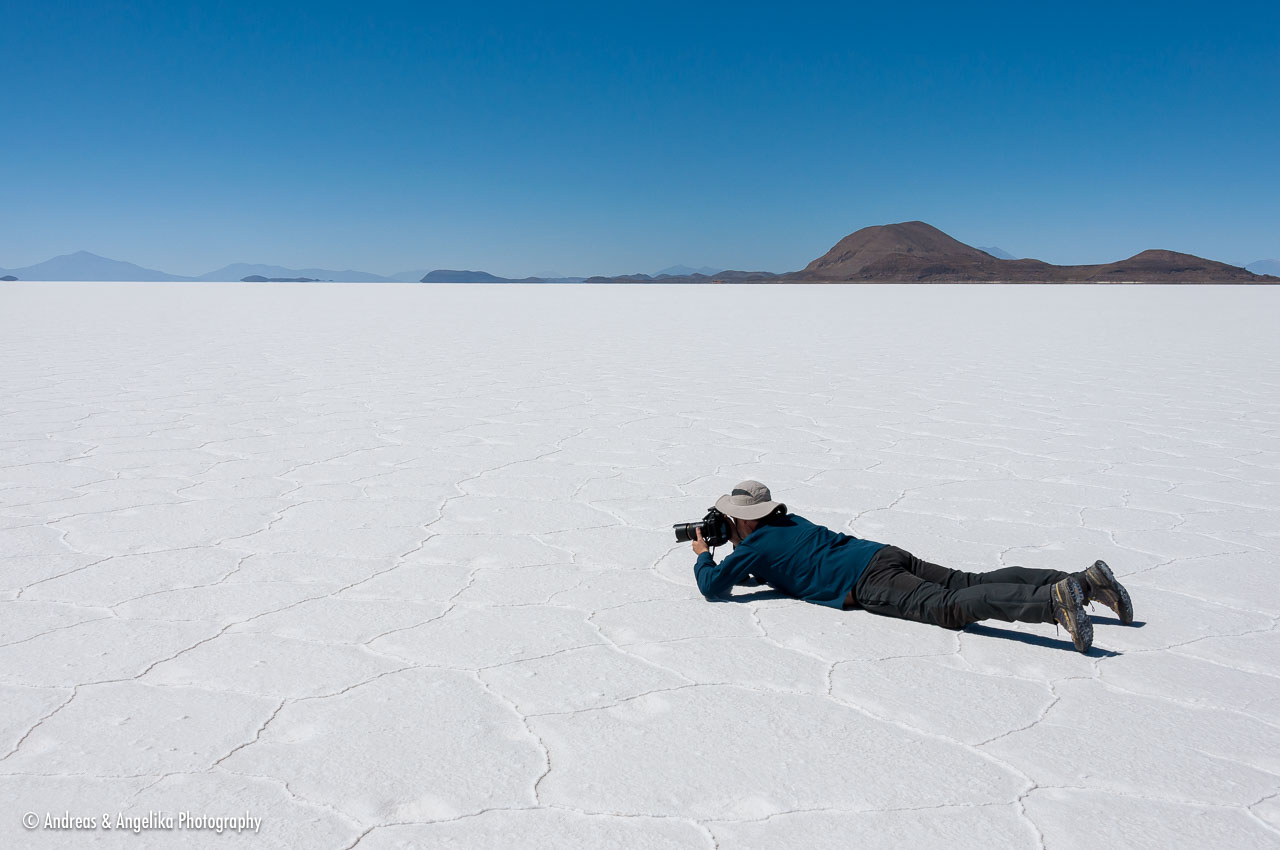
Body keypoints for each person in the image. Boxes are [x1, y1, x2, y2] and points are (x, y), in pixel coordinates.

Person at [690, 480, 1134, 653]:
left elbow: (715, 587)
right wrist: (739, 549)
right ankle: (1081, 581)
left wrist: (704, 555)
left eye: (731, 519)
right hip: (882, 553)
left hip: (866, 579)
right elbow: (769, 565)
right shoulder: (788, 521)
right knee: (969, 581)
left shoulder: (753, 547)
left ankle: (1054, 602)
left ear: (744, 519)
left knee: (949, 606)